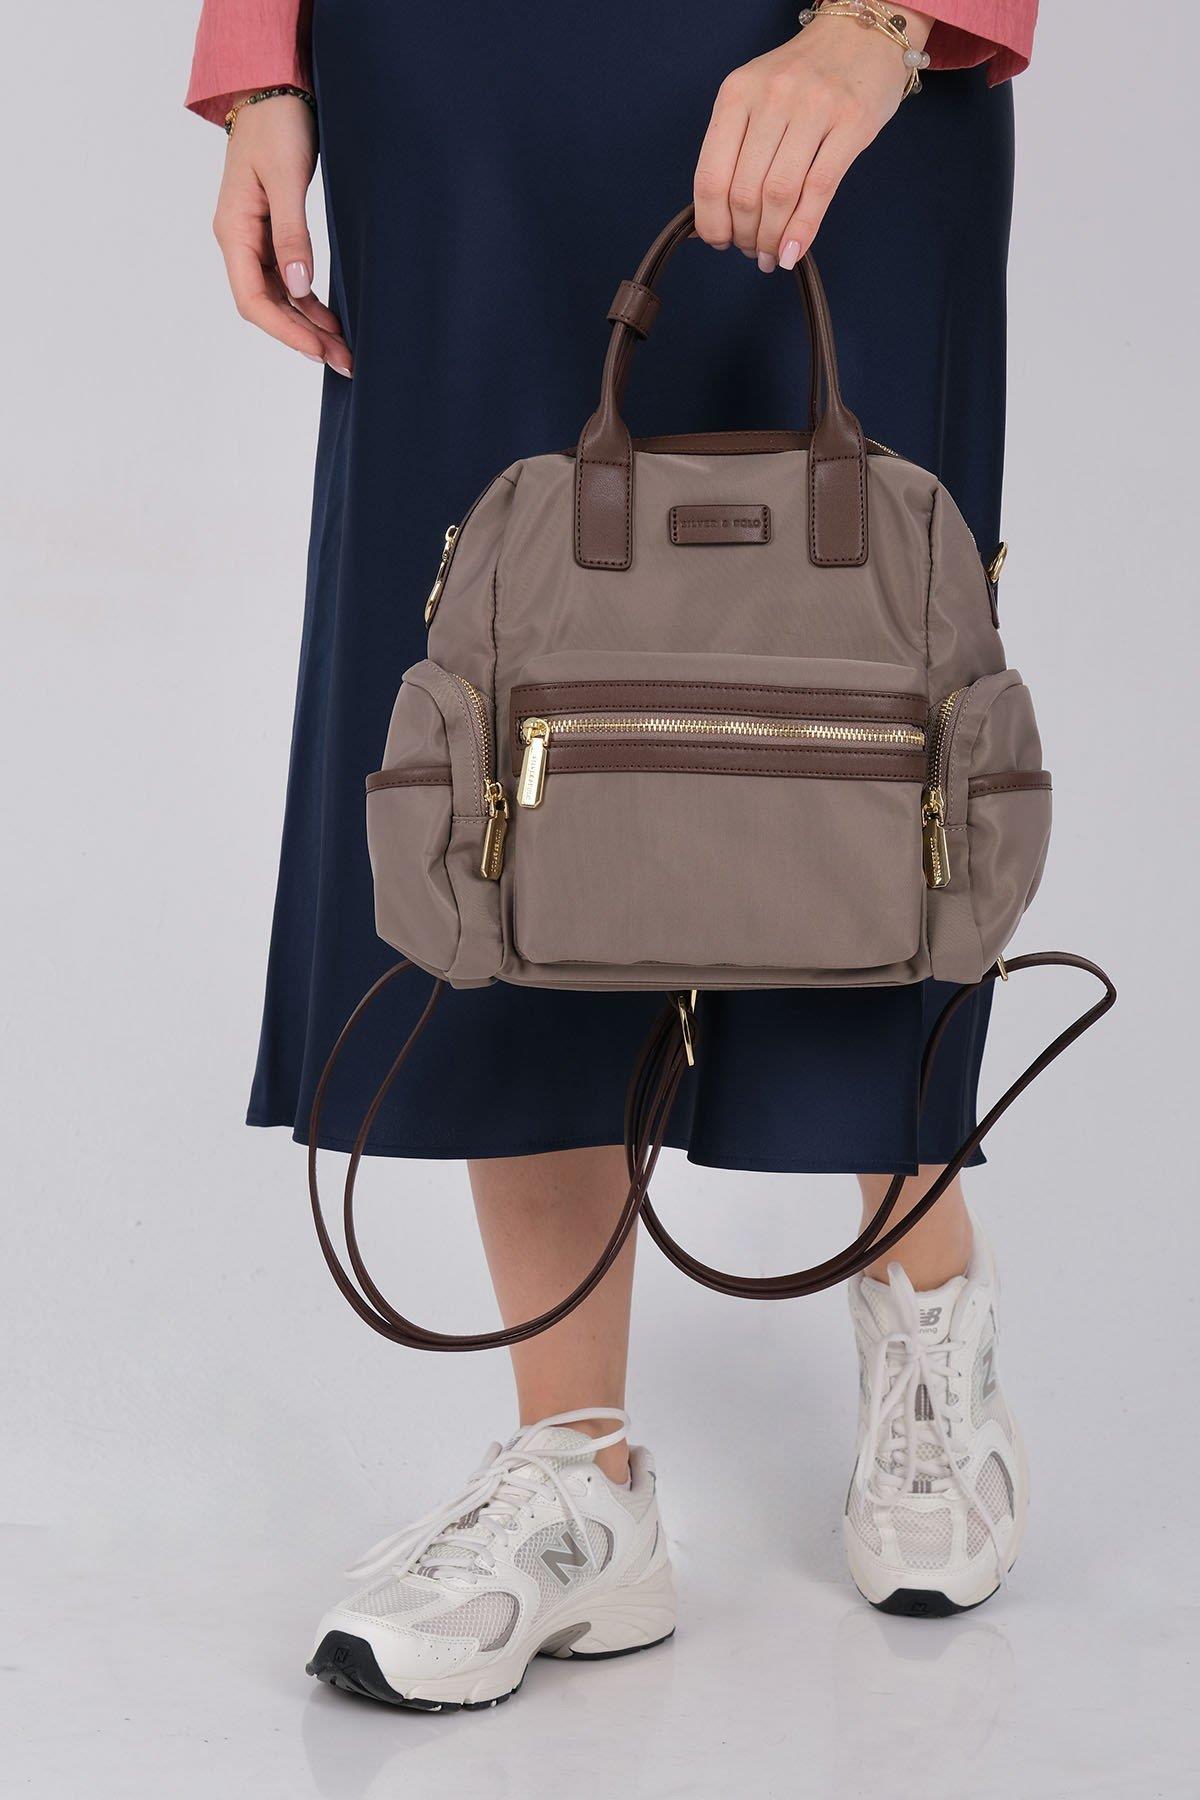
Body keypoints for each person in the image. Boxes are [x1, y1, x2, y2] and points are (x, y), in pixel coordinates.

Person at [188, 0, 1039, 1709]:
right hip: (451, 69)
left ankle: (925, 1309)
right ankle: (578, 1472)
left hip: (832, 44)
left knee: (866, 692)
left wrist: (889, 23)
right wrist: (262, 60)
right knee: (503, 717)